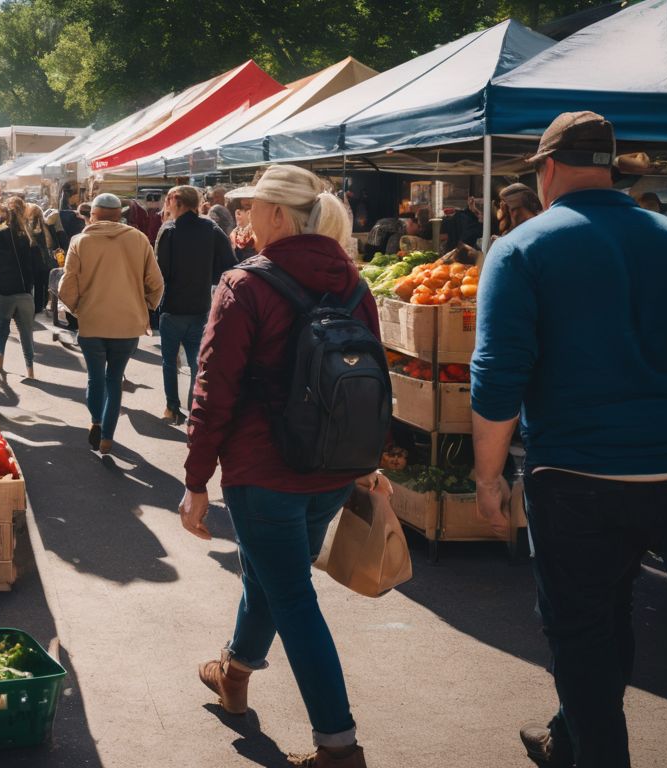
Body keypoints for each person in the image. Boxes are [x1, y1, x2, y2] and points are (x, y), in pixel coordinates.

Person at [470, 112, 667, 768]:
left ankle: (594, 753)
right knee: (611, 611)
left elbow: (498, 375)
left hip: (575, 475)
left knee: (581, 633)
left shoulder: (522, 248)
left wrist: (488, 478)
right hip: (665, 467)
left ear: (548, 169)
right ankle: (566, 738)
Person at [181, 165, 376, 768]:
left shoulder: (245, 284)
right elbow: (373, 378)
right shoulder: (354, 285)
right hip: (332, 468)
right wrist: (367, 459)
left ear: (277, 215)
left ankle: (338, 745)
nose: (244, 216)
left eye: (252, 207)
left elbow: (213, 389)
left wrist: (195, 481)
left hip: (264, 472)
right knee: (272, 576)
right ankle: (234, 673)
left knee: (291, 594)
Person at [58, 193, 164, 455]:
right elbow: (156, 283)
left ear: (93, 215)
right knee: (114, 380)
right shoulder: (139, 239)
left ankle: (96, 420)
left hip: (92, 321)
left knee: (95, 377)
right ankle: (107, 437)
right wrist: (145, 306)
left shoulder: (80, 241)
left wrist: (76, 309)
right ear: (120, 216)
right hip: (127, 323)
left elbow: (67, 285)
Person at [155, 185, 236, 425]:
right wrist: (207, 277)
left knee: (169, 362)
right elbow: (229, 264)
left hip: (172, 307)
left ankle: (172, 407)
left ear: (177, 202)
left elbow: (161, 272)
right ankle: (194, 408)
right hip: (200, 306)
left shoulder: (169, 230)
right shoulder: (211, 228)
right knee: (197, 363)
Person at [0, 198, 40, 379]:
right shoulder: (30, 237)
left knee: (1, 329)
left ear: (5, 215)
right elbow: (37, 266)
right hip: (24, 292)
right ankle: (30, 372)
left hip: (2, 291)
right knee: (26, 334)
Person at [227, 187, 258, 261]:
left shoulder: (259, 231)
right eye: (248, 206)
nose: (252, 209)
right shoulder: (234, 234)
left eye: (254, 206)